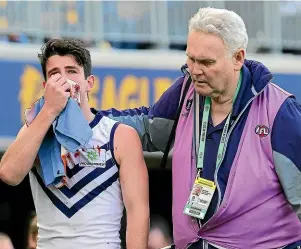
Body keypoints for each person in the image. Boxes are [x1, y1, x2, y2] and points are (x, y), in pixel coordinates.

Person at [99, 7, 301, 249]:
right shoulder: (186, 89)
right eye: (190, 59)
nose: (195, 70)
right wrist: (89, 121)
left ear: (238, 58)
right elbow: (146, 128)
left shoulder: (280, 111)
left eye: (206, 62)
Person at [0, 39, 149, 249]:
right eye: (54, 74)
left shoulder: (120, 136)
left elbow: (138, 212)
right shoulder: (34, 130)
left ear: (89, 83)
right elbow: (8, 174)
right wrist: (49, 110)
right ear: (46, 86)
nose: (64, 80)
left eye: (71, 71)